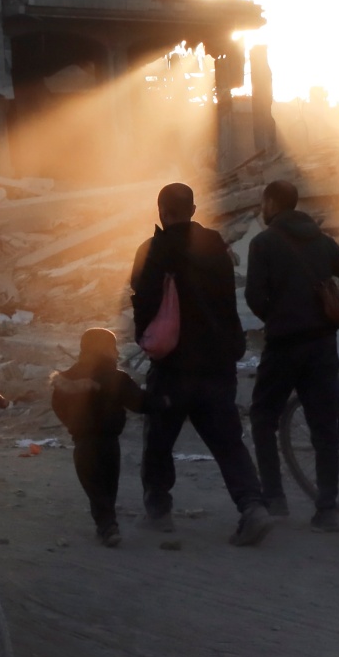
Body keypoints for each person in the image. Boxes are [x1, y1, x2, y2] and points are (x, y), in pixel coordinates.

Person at [130, 182, 274, 547]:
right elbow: (228, 301)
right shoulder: (215, 246)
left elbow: (143, 301)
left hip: (173, 367)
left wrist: (147, 338)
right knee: (228, 442)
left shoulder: (153, 250)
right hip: (217, 362)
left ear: (161, 210)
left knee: (159, 440)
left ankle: (159, 511)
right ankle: (253, 507)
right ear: (193, 210)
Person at [243, 179, 339, 531]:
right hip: (321, 345)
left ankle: (275, 499)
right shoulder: (322, 241)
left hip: (284, 345)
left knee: (263, 418)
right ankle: (326, 509)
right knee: (323, 427)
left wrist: (277, 316)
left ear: (271, 202)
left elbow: (255, 296)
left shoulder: (263, 243)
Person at [51, 328, 144, 547]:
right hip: (109, 442)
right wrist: (167, 401)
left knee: (94, 487)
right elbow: (140, 403)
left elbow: (57, 406)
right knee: (108, 486)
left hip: (83, 443)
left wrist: (73, 424)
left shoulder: (66, 378)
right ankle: (108, 526)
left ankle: (107, 526)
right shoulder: (117, 378)